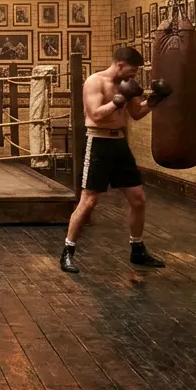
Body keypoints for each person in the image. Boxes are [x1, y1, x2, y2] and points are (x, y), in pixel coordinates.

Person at [61, 46, 171, 273]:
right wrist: (119, 100)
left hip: (119, 143)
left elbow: (136, 114)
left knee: (138, 199)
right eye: (132, 70)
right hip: (98, 143)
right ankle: (67, 252)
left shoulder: (126, 84)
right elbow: (95, 115)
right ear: (120, 64)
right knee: (89, 201)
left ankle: (137, 249)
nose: (134, 75)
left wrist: (154, 100)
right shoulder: (95, 82)